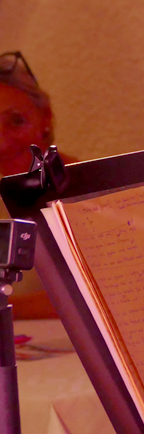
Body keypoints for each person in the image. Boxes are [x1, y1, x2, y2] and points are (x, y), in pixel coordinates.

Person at [0, 51, 76, 318]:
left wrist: (8, 308)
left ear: (45, 118)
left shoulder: (84, 193)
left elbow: (101, 295)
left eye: (16, 121)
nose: (2, 143)